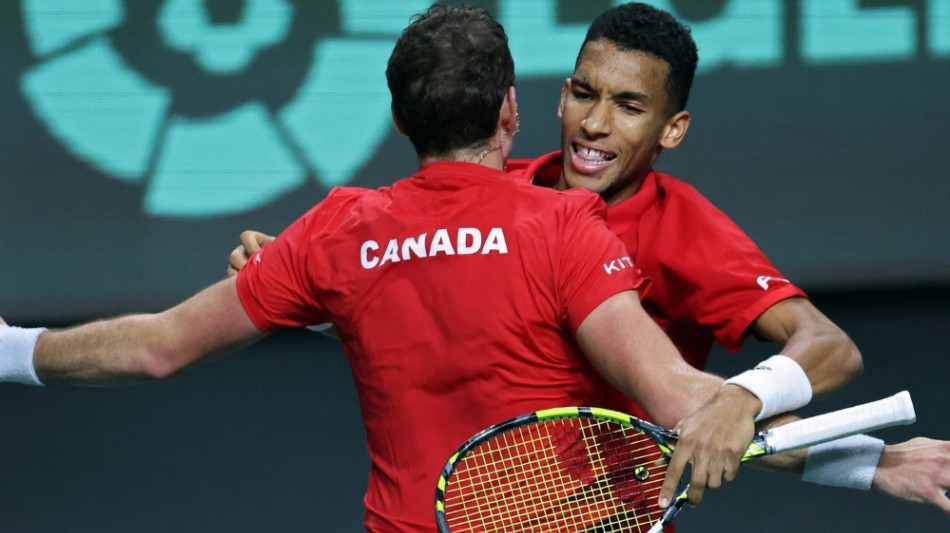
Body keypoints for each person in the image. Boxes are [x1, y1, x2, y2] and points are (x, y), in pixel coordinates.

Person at [0, 5, 827, 533]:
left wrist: (8, 349)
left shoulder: (335, 235)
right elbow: (684, 404)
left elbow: (154, 346)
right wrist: (868, 462)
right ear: (512, 109)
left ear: (398, 117)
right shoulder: (565, 222)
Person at [227, 1, 950, 516]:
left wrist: (749, 398)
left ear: (673, 129)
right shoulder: (501, 195)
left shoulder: (682, 229)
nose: (594, 125)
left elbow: (823, 348)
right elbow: (420, 320)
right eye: (582, 93)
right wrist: (310, 293)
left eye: (630, 107)